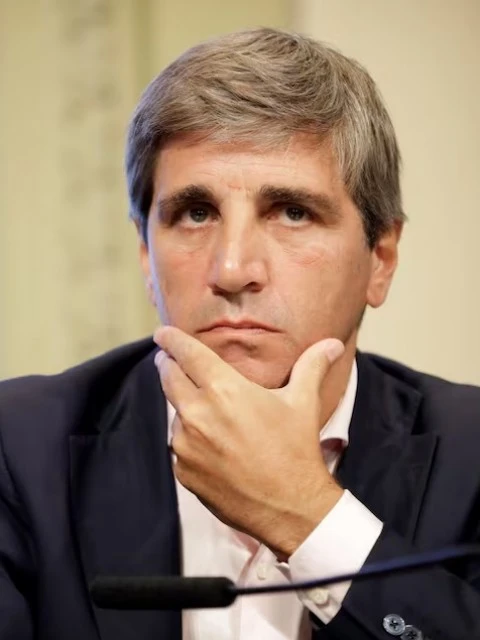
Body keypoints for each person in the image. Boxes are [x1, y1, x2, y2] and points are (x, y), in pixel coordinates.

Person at [0, 27, 479, 640]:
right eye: (195, 213)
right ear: (146, 255)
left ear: (380, 259)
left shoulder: (471, 458)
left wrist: (306, 514)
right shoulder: (18, 450)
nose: (231, 270)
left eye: (292, 212)